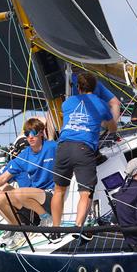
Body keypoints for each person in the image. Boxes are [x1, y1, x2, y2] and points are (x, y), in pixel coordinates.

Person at [51, 73, 118, 232]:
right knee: (85, 192)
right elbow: (112, 127)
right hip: (84, 148)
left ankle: (55, 229)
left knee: (59, 190)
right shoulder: (102, 105)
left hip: (63, 147)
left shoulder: (67, 103)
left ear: (78, 87)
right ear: (95, 88)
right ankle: (78, 227)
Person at [0, 118, 57, 225]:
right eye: (27, 133)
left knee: (18, 192)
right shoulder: (24, 155)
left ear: (41, 133)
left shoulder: (52, 147)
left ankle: (46, 217)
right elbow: (3, 178)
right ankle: (18, 228)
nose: (30, 137)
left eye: (33, 133)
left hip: (51, 194)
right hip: (32, 197)